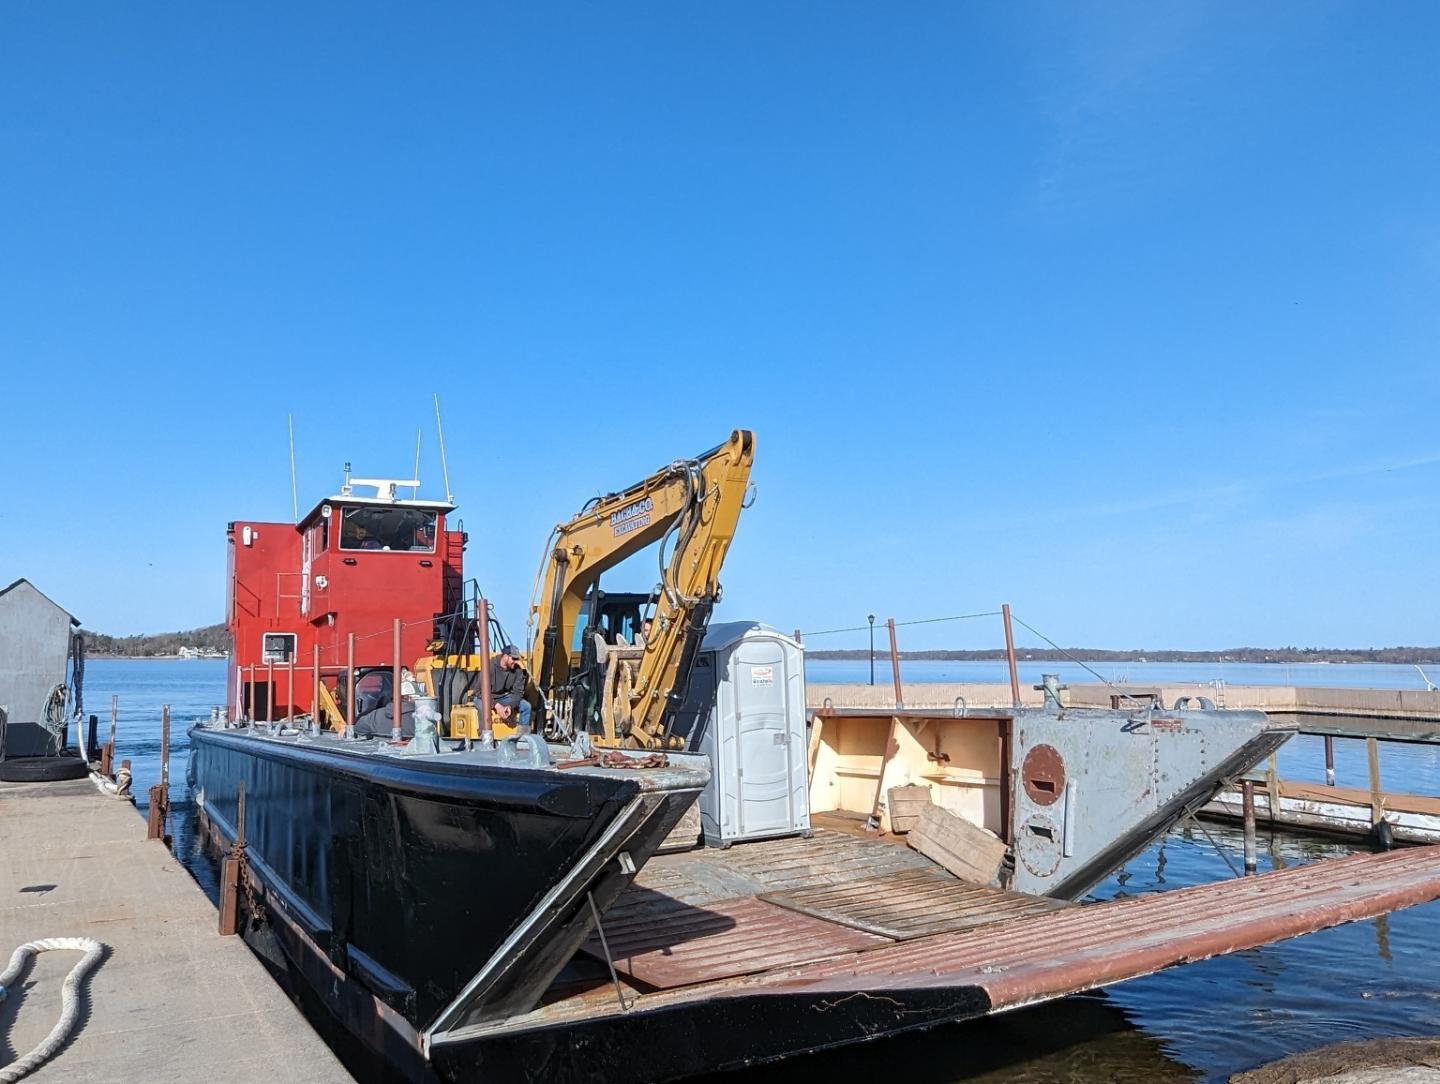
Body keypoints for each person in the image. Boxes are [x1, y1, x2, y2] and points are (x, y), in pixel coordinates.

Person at [489, 644, 531, 732]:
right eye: (514, 659)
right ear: (505, 656)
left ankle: (522, 738)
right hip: (487, 697)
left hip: (503, 697)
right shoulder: (490, 667)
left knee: (526, 707)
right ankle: (484, 734)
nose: (516, 661)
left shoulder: (517, 670)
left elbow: (518, 693)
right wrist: (496, 705)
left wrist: (510, 706)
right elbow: (478, 691)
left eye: (517, 659)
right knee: (481, 706)